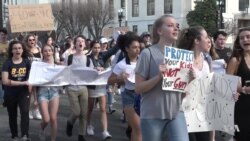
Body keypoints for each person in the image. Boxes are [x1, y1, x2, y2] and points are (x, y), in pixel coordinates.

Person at [135, 15, 189, 141]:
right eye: (170, 25)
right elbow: (138, 88)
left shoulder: (180, 56)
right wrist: (159, 77)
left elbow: (182, 94)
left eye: (177, 26)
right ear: (159, 31)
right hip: (152, 115)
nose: (175, 29)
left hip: (176, 113)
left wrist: (189, 79)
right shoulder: (147, 54)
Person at [178, 26, 211, 141]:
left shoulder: (206, 62)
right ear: (196, 41)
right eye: (206, 37)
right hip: (184, 114)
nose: (209, 40)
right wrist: (190, 82)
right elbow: (174, 93)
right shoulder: (181, 61)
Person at [108, 32, 142, 141]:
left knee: (136, 130)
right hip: (129, 96)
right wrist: (119, 78)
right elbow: (109, 80)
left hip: (143, 95)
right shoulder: (121, 64)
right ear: (127, 49)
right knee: (139, 128)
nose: (137, 50)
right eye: (134, 47)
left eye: (138, 47)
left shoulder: (143, 60)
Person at [65, 35, 93, 141]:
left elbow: (92, 72)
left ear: (84, 44)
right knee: (76, 112)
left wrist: (98, 69)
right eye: (78, 41)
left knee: (83, 113)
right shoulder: (69, 57)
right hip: (71, 87)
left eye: (82, 41)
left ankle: (81, 135)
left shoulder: (87, 59)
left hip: (83, 88)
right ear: (75, 44)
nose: (80, 43)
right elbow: (65, 71)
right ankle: (70, 122)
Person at [2, 40, 32, 141]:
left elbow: (33, 75)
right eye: (15, 48)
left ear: (23, 50)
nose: (17, 50)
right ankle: (14, 135)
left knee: (25, 112)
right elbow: (5, 81)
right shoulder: (7, 63)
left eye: (19, 48)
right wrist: (22, 83)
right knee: (12, 114)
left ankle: (25, 135)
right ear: (11, 50)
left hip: (23, 92)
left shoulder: (27, 62)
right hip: (10, 93)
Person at [227, 27, 250, 141]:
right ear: (238, 42)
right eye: (241, 38)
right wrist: (243, 89)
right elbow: (227, 85)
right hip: (241, 107)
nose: (245, 40)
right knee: (242, 136)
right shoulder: (235, 60)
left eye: (248, 37)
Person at [86, 40, 112, 140]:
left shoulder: (102, 57)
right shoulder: (88, 59)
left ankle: (105, 131)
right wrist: (95, 69)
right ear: (91, 48)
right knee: (90, 108)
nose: (97, 50)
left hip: (101, 85)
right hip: (91, 86)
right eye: (94, 48)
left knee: (103, 108)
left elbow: (106, 68)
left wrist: (104, 69)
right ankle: (89, 125)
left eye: (98, 48)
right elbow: (85, 71)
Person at [37, 45, 60, 141]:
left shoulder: (57, 65)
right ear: (42, 53)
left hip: (54, 92)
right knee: (46, 119)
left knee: (53, 118)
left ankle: (53, 139)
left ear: (52, 52)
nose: (48, 52)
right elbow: (34, 82)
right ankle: (41, 128)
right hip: (42, 92)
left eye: (49, 50)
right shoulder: (38, 65)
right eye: (45, 51)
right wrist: (34, 97)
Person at [25, 34, 42, 120]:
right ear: (27, 41)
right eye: (30, 40)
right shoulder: (25, 52)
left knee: (38, 93)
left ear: (35, 41)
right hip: (28, 74)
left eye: (33, 40)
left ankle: (36, 110)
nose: (32, 41)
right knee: (30, 93)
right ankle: (29, 110)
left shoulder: (39, 50)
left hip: (38, 74)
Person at [0, 28, 9, 105]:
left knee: (5, 84)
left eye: (4, 35)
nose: (3, 36)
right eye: (2, 35)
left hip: (7, 68)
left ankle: (5, 100)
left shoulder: (9, 44)